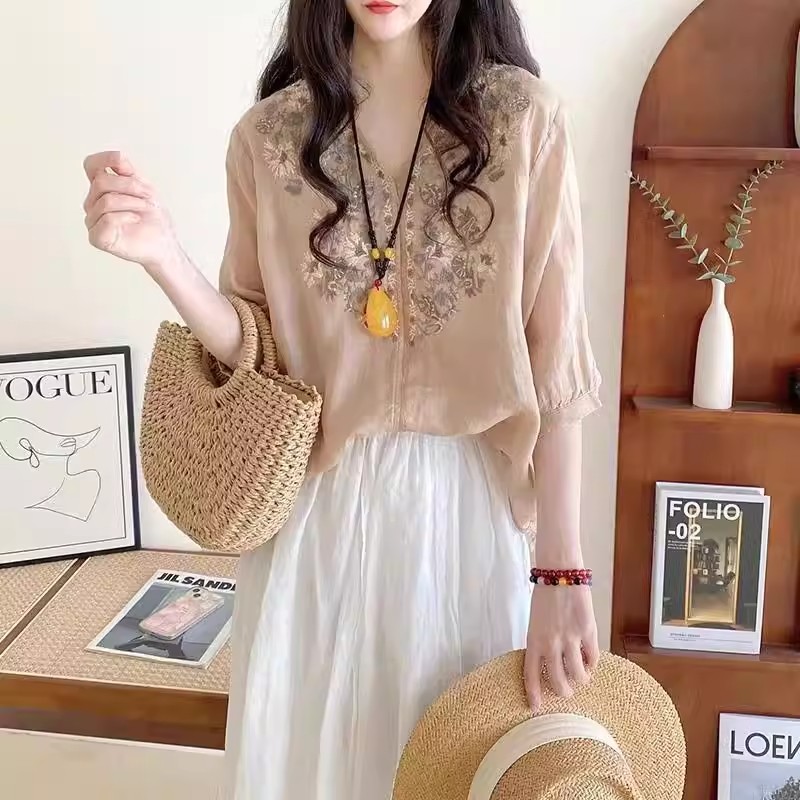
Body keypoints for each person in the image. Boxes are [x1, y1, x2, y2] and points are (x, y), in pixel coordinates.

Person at [81, 1, 602, 797]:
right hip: (314, 526)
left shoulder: (524, 120)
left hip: (463, 522)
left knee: (454, 769)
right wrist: (163, 257)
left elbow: (558, 369)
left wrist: (561, 575)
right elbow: (258, 349)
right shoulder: (269, 137)